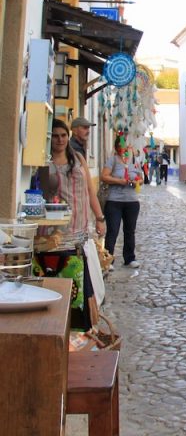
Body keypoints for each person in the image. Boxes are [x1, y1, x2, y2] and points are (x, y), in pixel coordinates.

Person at [33, 118, 106, 330]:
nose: (60, 140)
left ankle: (83, 330)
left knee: (87, 289)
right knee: (66, 287)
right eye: (55, 136)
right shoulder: (44, 163)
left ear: (68, 136)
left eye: (63, 135)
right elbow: (44, 196)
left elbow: (90, 192)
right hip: (57, 236)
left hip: (81, 233)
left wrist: (99, 218)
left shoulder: (78, 159)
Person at [101, 133, 144, 269]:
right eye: (122, 145)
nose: (125, 148)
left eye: (127, 145)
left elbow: (141, 178)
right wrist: (120, 181)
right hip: (114, 201)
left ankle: (129, 258)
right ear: (117, 147)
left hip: (132, 201)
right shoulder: (112, 160)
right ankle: (109, 259)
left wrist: (136, 182)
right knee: (113, 230)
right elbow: (104, 176)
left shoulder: (134, 162)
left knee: (130, 230)